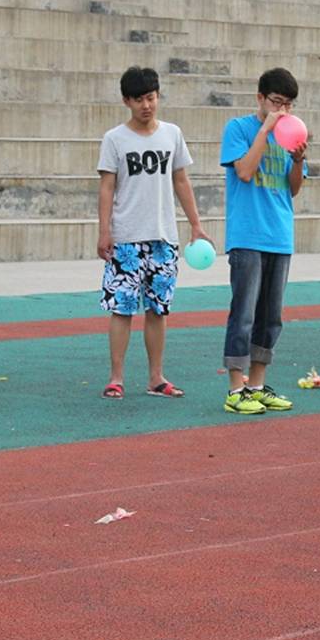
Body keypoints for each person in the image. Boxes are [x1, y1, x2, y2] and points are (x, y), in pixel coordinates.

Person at [96, 66, 210, 400]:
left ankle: (156, 378)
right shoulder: (114, 138)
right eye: (139, 99)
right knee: (122, 309)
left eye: (151, 97)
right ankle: (116, 377)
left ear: (158, 96)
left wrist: (196, 223)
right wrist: (104, 231)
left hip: (163, 238)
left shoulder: (172, 134)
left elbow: (181, 180)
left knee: (158, 310)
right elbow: (106, 187)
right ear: (126, 101)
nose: (146, 105)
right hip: (126, 239)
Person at [219, 67, 307, 415]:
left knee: (271, 317)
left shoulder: (290, 134)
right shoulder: (239, 128)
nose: (282, 111)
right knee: (244, 312)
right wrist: (266, 130)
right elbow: (244, 171)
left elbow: (294, 188)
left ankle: (256, 384)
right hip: (247, 235)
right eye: (276, 102)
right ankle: (235, 388)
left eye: (288, 105)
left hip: (279, 235)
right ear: (260, 98)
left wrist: (298, 160)